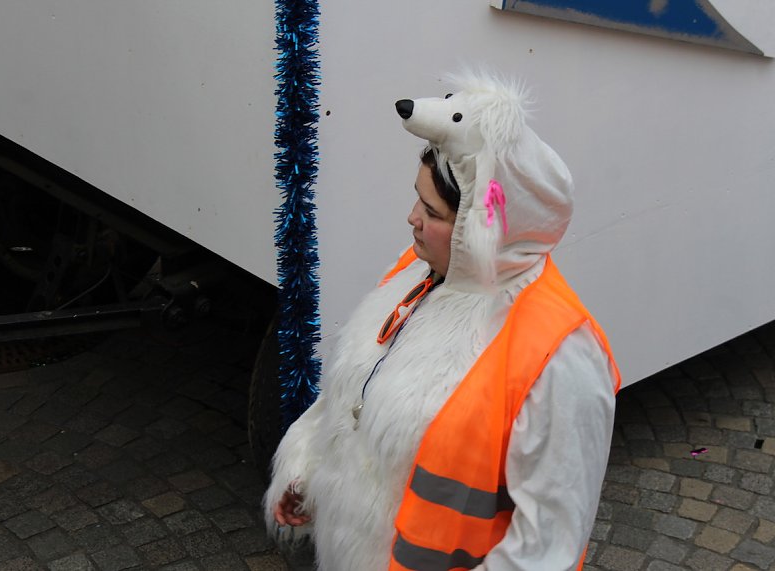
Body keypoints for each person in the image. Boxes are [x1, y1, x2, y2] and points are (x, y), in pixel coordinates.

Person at [265, 70, 621, 571]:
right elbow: (354, 394)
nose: (411, 217)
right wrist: (308, 469)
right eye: (416, 196)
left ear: (482, 226)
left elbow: (547, 548)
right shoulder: (418, 271)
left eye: (431, 210)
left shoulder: (560, 356)